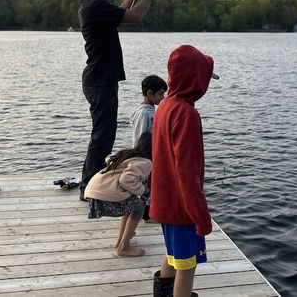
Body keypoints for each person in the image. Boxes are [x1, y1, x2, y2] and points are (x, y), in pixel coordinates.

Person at [74, 0, 157, 201]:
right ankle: (88, 188)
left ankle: (90, 185)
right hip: (100, 82)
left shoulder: (94, 7)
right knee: (102, 137)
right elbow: (136, 16)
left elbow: (121, 12)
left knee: (103, 135)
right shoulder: (95, 7)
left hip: (100, 80)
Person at [150, 45, 219, 297]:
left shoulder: (166, 105)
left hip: (164, 202)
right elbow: (187, 173)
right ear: (196, 79)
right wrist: (201, 216)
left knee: (172, 255)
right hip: (181, 208)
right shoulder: (186, 114)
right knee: (187, 265)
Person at [84, 132, 152, 257]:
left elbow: (110, 160)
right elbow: (126, 180)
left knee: (132, 203)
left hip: (94, 194)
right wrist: (144, 190)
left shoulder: (126, 154)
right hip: (106, 198)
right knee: (140, 205)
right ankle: (124, 247)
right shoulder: (145, 162)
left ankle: (120, 240)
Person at [130, 75, 167, 223]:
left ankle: (149, 212)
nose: (162, 97)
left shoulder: (149, 109)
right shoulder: (145, 114)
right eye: (160, 94)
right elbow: (139, 136)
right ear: (150, 93)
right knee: (146, 186)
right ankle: (146, 214)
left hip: (151, 154)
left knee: (151, 185)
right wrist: (140, 157)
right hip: (145, 155)